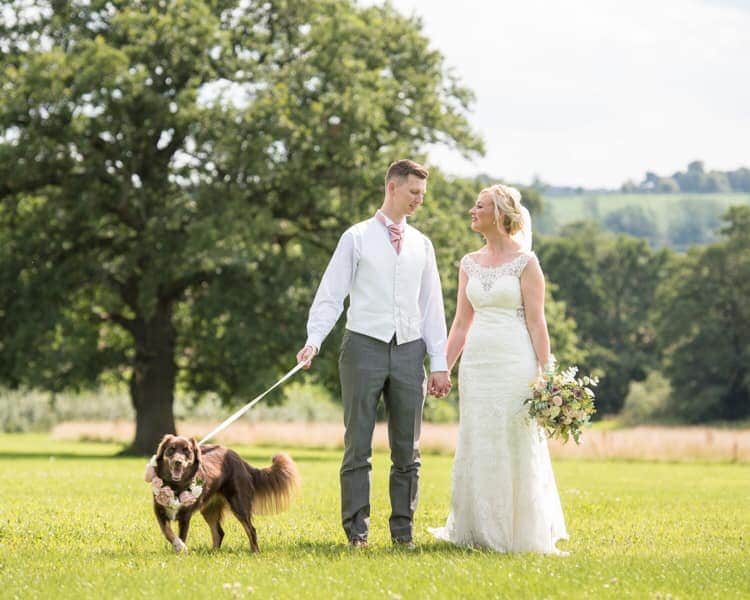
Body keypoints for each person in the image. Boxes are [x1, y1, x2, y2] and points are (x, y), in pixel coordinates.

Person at [296, 159, 451, 548]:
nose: (419, 201)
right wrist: (314, 340)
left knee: (407, 450)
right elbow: (331, 295)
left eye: (422, 195)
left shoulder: (423, 245)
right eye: (414, 192)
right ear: (392, 187)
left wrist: (440, 363)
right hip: (362, 346)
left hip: (409, 351)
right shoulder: (357, 237)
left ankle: (403, 533)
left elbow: (433, 307)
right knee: (357, 445)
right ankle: (357, 534)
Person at [429, 183, 568, 554]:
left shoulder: (526, 262)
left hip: (514, 361)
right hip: (477, 364)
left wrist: (548, 373)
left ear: (500, 214)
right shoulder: (468, 263)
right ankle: (475, 529)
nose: (472, 211)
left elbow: (538, 323)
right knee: (479, 437)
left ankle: (516, 531)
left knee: (513, 439)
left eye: (480, 206)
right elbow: (460, 323)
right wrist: (442, 368)